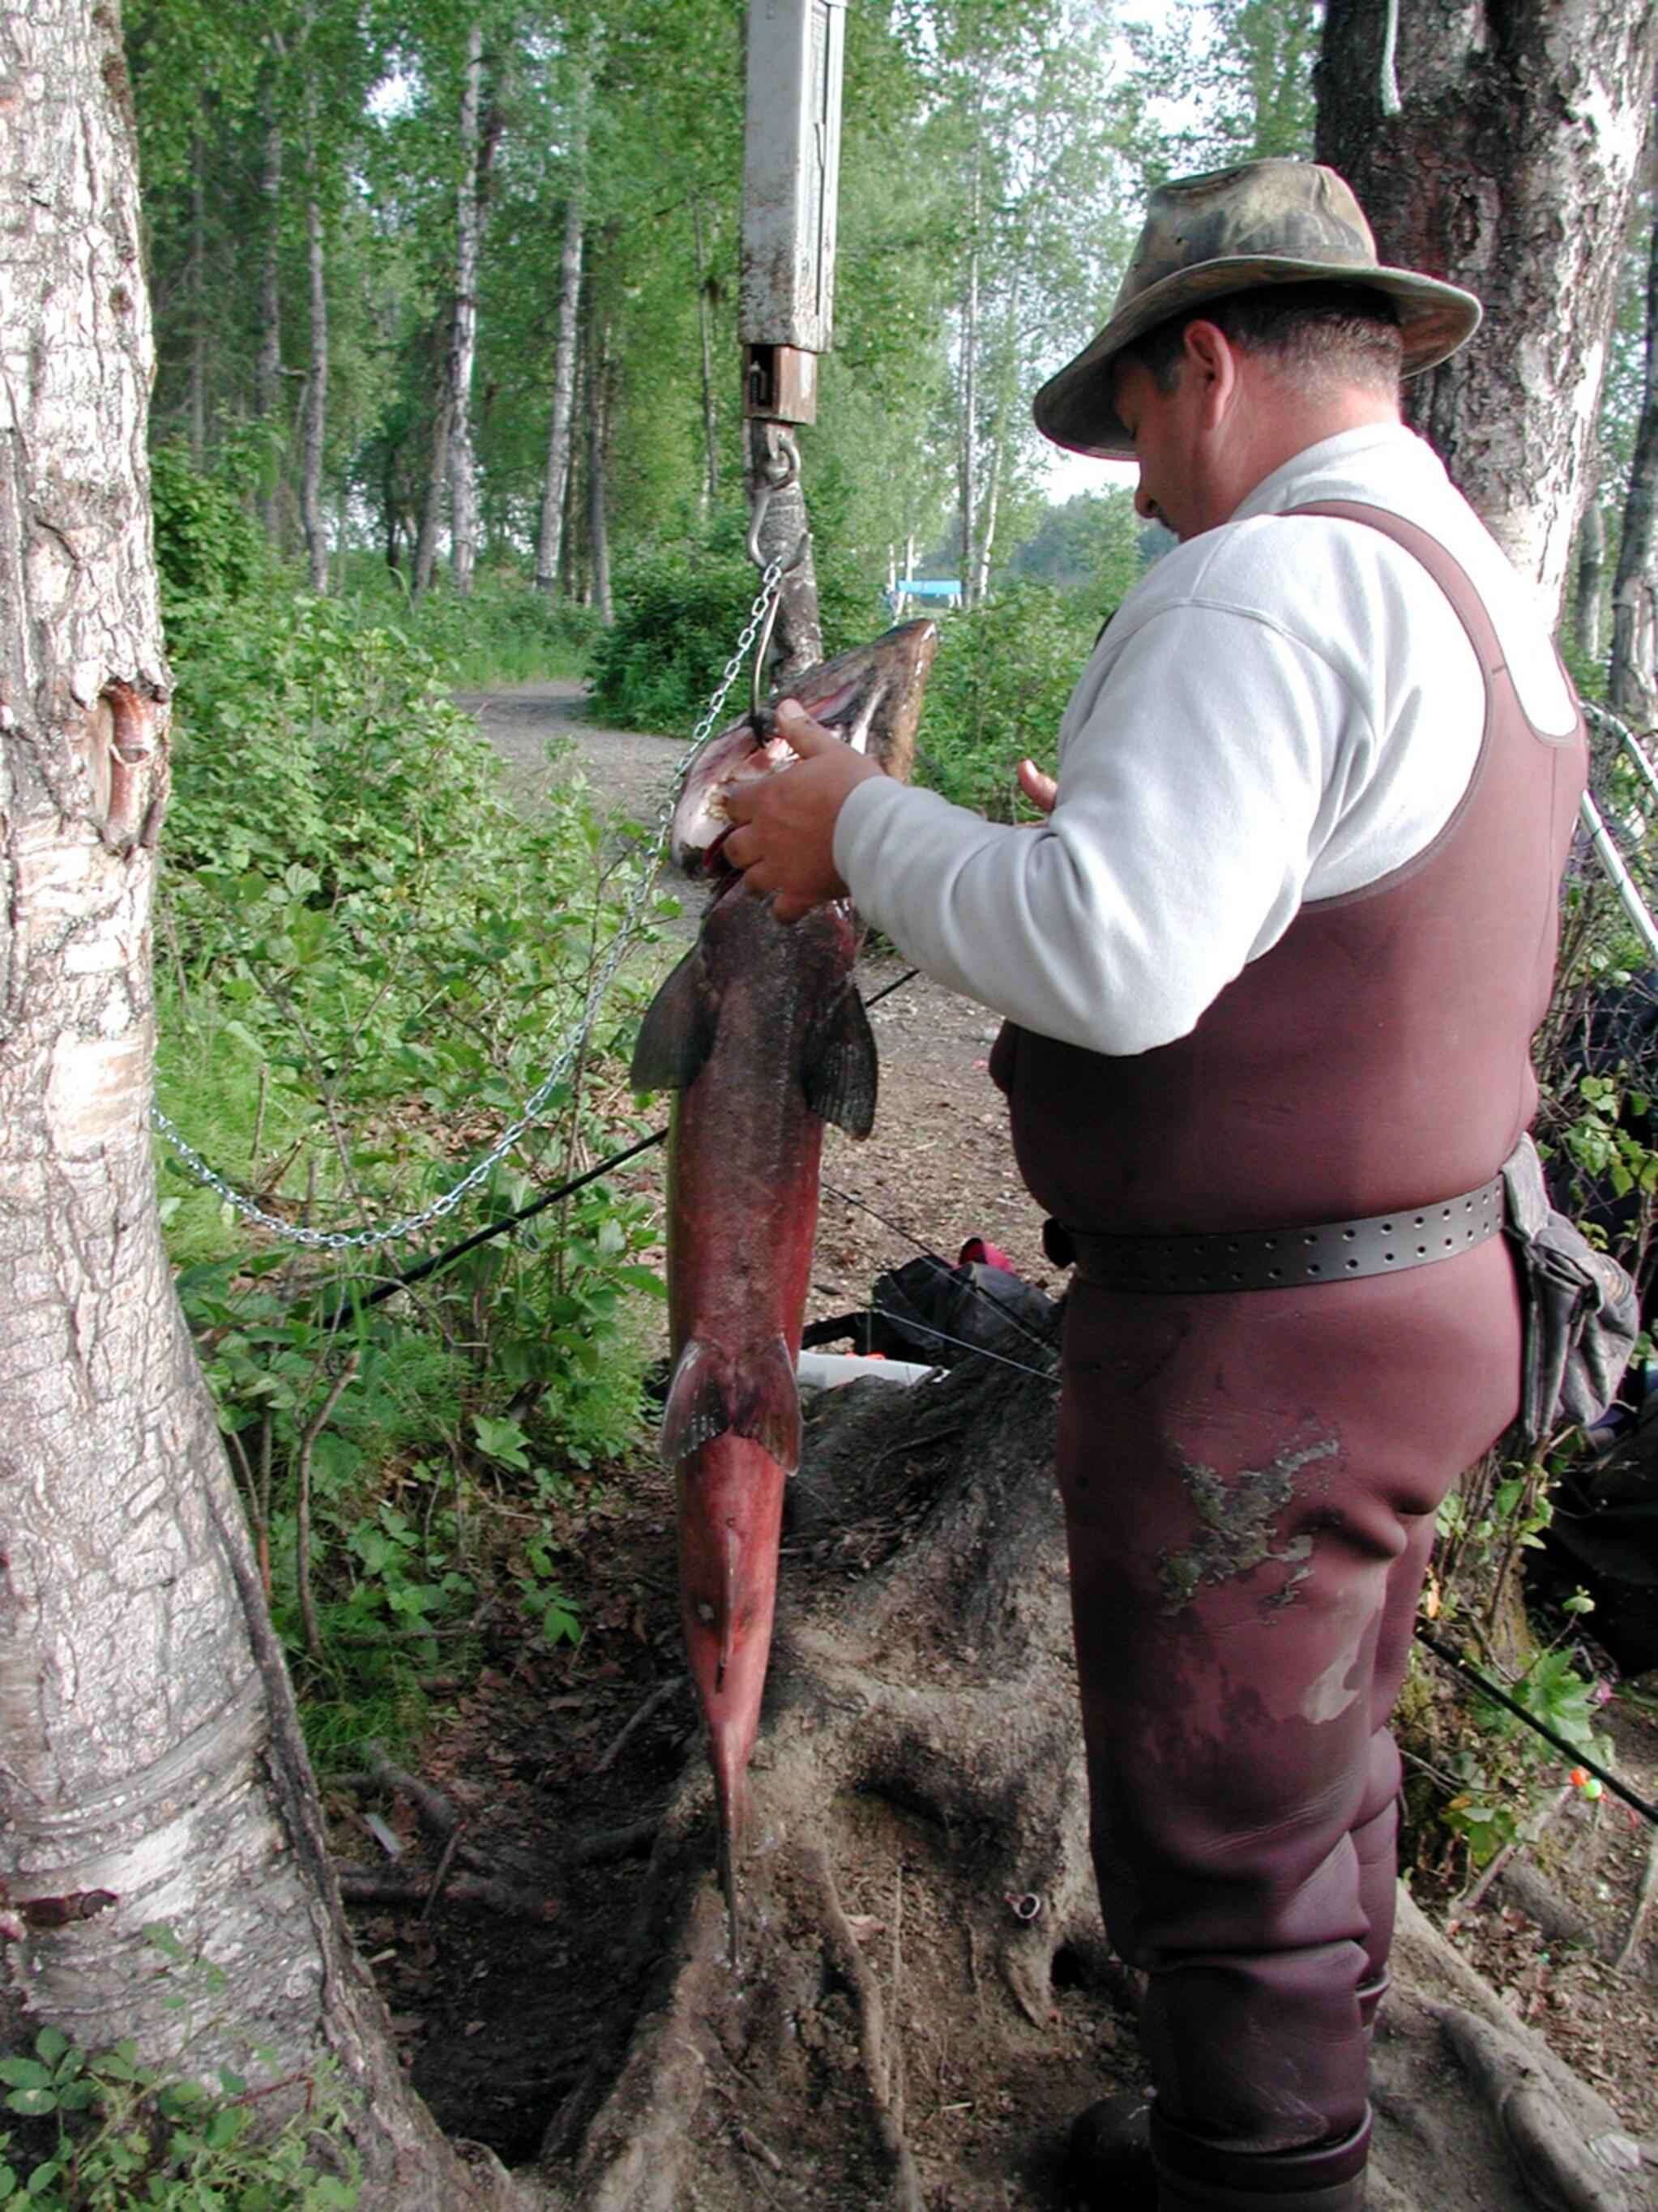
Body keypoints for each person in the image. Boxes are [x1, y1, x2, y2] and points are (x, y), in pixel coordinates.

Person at [722, 158, 1587, 2212]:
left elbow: (1119, 959)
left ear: (1207, 359)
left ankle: (1261, 2176)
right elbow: (1311, 905)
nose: (1133, 490)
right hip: (1426, 1289)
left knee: (1220, 1800)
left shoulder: (1265, 581)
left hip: (1264, 1335)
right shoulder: (1457, 569)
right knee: (1319, 1757)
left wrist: (856, 821)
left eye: (1134, 433)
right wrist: (1077, 841)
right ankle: (1292, 2110)